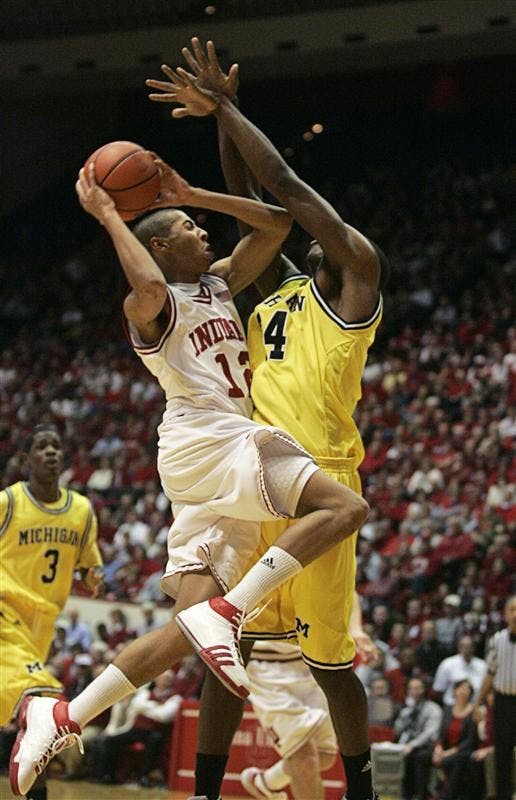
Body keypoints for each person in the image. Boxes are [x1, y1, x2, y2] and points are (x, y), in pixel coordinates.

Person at [10, 154, 368, 797]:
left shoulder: (221, 284)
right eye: (190, 228)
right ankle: (230, 611)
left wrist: (189, 191)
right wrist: (112, 217)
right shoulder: (152, 304)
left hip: (206, 459)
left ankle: (61, 715)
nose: (206, 233)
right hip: (212, 438)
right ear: (158, 245)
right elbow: (147, 289)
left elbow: (277, 224)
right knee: (344, 509)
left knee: (183, 630)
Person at [146, 37, 389, 800]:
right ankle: (209, 792)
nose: (318, 231)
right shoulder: (278, 289)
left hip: (319, 479)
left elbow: (282, 185)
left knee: (331, 666)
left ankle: (363, 789)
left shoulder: (355, 283)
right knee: (230, 646)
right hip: (259, 477)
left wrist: (225, 108)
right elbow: (255, 201)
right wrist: (227, 113)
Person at [0, 423, 103, 800]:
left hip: (41, 626)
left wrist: (93, 577)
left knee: (28, 718)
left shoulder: (81, 510)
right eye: (41, 447)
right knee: (43, 707)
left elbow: (88, 563)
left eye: (56, 446)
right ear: (26, 459)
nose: (51, 452)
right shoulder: (8, 503)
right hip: (4, 612)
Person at [240, 594, 378, 800]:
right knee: (305, 760)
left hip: (314, 659)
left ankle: (266, 782)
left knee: (324, 756)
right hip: (266, 666)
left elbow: (346, 588)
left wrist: (356, 629)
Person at [471, 595, 516, 800]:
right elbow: (490, 673)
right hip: (503, 702)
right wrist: (478, 703)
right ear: (506, 614)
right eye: (512, 610)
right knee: (502, 753)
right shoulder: (497, 639)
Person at [393, 677, 442, 800]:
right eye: (411, 688)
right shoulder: (407, 709)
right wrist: (406, 713)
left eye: (417, 688)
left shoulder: (433, 708)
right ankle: (404, 794)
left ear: (424, 690)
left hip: (427, 746)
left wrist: (413, 745)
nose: (414, 691)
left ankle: (422, 794)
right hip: (407, 745)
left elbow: (430, 732)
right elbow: (397, 730)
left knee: (419, 756)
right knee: (397, 755)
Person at [431, 679, 477, 800]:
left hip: (464, 750)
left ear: (471, 694)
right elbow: (441, 733)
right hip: (446, 748)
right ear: (454, 691)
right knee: (424, 755)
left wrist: (448, 753)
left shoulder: (473, 712)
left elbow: (470, 740)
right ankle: (426, 792)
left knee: (455, 760)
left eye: (467, 689)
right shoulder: (447, 710)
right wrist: (438, 748)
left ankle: (447, 795)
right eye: (460, 688)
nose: (463, 692)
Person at [433, 635, 487, 707]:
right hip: (452, 705)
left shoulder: (483, 665)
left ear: (474, 648)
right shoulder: (447, 664)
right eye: (463, 646)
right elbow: (438, 689)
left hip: (475, 706)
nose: (466, 649)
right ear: (459, 648)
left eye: (469, 646)